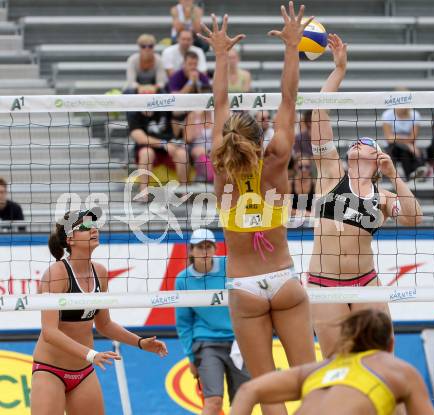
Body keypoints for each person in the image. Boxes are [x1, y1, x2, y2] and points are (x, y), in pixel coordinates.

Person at [198, 5, 316, 415]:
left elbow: (219, 102)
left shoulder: (221, 166)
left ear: (229, 138)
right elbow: (289, 96)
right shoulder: (278, 157)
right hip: (282, 278)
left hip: (244, 288)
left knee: (268, 392)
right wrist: (291, 47)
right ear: (260, 135)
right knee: (313, 383)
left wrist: (219, 56)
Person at [309, 34, 423, 358]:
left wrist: (394, 177)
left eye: (368, 143)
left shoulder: (383, 195)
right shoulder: (330, 174)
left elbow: (415, 218)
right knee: (335, 364)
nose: (359, 143)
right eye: (356, 142)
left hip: (365, 283)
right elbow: (319, 113)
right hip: (323, 284)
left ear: (377, 160)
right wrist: (339, 71)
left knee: (380, 361)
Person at [31, 208, 168, 415]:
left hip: (83, 372)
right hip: (50, 370)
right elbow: (49, 332)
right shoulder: (56, 274)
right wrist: (91, 354)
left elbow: (104, 325)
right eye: (85, 227)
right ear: (70, 239)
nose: (94, 229)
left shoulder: (100, 272)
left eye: (95, 225)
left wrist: (140, 342)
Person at [230, 309, 434, 415]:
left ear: (348, 341)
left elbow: (248, 391)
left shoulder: (319, 368)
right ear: (390, 344)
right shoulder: (397, 369)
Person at [176, 228, 250, 415]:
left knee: (243, 402)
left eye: (209, 246)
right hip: (207, 343)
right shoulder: (182, 279)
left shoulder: (229, 265)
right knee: (214, 402)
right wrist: (191, 358)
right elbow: (184, 324)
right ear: (191, 251)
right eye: (200, 247)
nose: (205, 251)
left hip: (238, 342)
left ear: (215, 249)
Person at [127, 110, 190, 195]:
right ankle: (143, 193)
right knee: (147, 153)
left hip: (168, 150)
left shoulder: (164, 109)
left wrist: (177, 116)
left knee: (182, 153)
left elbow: (176, 132)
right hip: (149, 149)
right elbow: (140, 138)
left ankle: (184, 192)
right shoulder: (134, 114)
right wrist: (163, 144)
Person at [382, 90, 425, 180]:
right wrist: (408, 144)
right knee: (399, 150)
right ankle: (411, 174)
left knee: (404, 152)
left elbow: (412, 137)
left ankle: (408, 177)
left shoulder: (415, 115)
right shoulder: (387, 114)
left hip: (407, 149)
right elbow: (389, 139)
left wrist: (396, 138)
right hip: (392, 148)